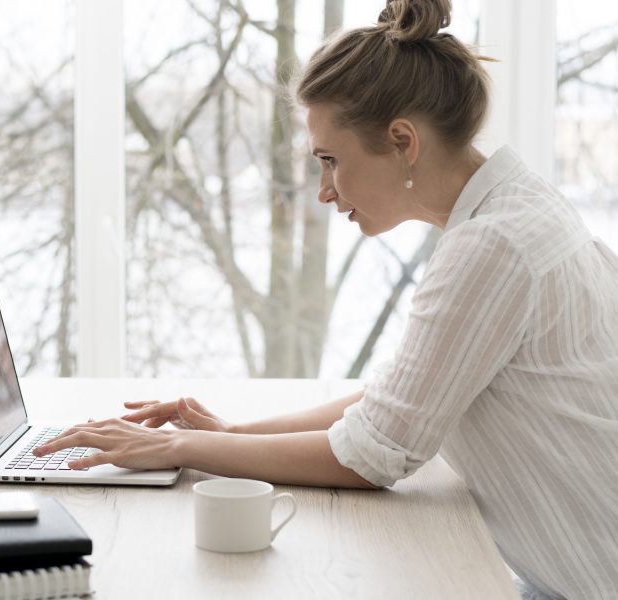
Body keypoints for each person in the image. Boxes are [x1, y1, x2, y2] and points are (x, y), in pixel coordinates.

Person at [34, 0, 618, 597]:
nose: (324, 190)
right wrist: (237, 436)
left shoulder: (493, 245)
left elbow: (373, 454)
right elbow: (401, 401)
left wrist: (178, 446)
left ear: (402, 140)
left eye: (331, 161)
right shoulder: (518, 206)